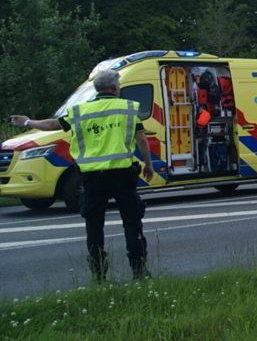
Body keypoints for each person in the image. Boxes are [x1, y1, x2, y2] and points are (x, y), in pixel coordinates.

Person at [10, 69, 154, 281]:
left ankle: (98, 274)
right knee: (132, 223)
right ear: (115, 87)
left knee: (94, 227)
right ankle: (139, 271)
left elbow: (52, 125)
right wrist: (148, 166)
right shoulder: (128, 108)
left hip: (91, 178)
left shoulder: (80, 111)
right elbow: (142, 140)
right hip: (122, 176)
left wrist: (27, 122)